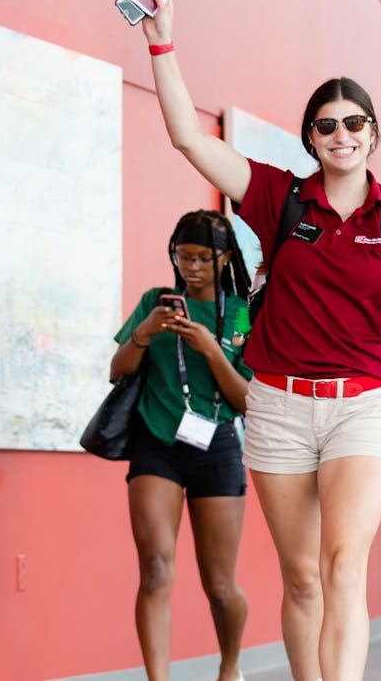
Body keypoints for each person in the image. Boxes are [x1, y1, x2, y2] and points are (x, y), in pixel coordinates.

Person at [139, 0, 381, 681]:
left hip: (361, 405)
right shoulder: (279, 197)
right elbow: (189, 139)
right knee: (302, 581)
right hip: (280, 407)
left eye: (354, 123)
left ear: (373, 133)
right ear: (310, 137)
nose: (341, 134)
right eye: (326, 125)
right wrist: (161, 42)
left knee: (344, 568)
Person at [111, 211, 255, 681]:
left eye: (201, 258)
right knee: (155, 567)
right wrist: (143, 334)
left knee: (219, 585)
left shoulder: (239, 312)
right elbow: (118, 369)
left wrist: (212, 350)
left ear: (225, 258)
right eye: (182, 256)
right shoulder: (158, 301)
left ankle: (230, 666)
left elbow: (247, 401)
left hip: (217, 445)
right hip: (157, 443)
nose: (190, 267)